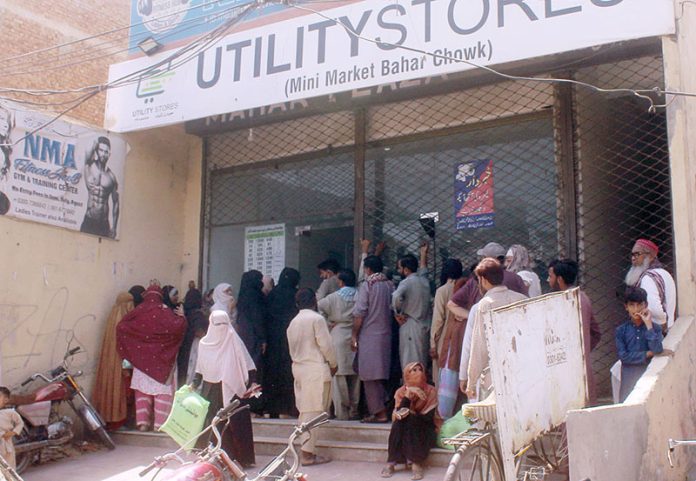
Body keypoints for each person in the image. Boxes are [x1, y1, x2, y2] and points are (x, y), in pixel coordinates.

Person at [193, 283, 258, 467]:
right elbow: (199, 368)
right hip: (212, 390)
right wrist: (193, 383)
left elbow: (248, 363)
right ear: (212, 324)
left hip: (233, 389)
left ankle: (242, 459)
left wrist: (252, 382)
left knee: (237, 427)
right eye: (218, 324)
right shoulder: (205, 344)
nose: (222, 327)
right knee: (215, 425)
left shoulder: (234, 339)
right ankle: (216, 458)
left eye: (224, 323)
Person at [116, 284, 186, 431]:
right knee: (162, 393)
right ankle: (159, 426)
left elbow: (122, 327)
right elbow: (178, 328)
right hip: (163, 362)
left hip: (142, 362)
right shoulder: (165, 312)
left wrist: (134, 347)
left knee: (142, 392)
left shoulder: (139, 311)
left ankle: (142, 424)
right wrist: (182, 317)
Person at [463, 258, 528, 399]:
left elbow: (479, 347)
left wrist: (471, 382)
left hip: (495, 376)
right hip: (523, 371)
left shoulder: (485, 305)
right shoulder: (522, 299)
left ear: (483, 280)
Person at [287, 288, 337, 466]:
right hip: (315, 369)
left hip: (299, 369)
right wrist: (333, 363)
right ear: (314, 301)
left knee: (305, 411)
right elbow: (326, 345)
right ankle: (307, 454)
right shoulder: (317, 319)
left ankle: (306, 450)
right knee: (314, 412)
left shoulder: (293, 322)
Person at [548, 259, 602, 403]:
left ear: (559, 279)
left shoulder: (560, 302)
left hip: (564, 367)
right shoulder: (583, 297)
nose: (548, 280)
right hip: (583, 365)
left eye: (551, 276)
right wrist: (583, 350)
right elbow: (596, 332)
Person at [381, 362, 441, 481]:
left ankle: (411, 462)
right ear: (406, 375)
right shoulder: (400, 392)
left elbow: (428, 419)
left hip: (425, 431)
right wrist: (408, 396)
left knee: (407, 419)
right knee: (400, 421)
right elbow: (398, 415)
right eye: (413, 370)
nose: (418, 372)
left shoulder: (431, 391)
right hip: (405, 428)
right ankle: (402, 461)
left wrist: (409, 414)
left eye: (420, 369)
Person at [353, 255, 394, 423]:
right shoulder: (390, 284)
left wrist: (354, 334)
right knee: (380, 374)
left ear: (367, 269)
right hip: (386, 335)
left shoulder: (367, 285)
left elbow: (360, 312)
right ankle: (381, 407)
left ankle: (379, 411)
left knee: (369, 375)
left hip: (369, 335)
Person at [447, 242, 528, 325]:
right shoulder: (516, 278)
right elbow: (528, 305)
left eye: (483, 257)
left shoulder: (476, 280)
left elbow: (452, 305)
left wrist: (473, 316)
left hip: (486, 327)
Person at [318, 269, 360, 420]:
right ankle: (355, 410)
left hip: (338, 334)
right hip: (357, 333)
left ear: (340, 282)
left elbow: (319, 306)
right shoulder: (359, 295)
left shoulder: (333, 297)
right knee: (356, 375)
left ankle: (342, 412)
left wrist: (328, 322)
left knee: (339, 375)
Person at [431, 259, 468, 418]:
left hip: (445, 341)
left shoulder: (442, 291)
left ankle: (444, 416)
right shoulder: (466, 288)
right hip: (462, 339)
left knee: (442, 380)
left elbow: (437, 320)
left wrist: (433, 343)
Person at [92, 292, 134, 429]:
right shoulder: (124, 322)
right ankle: (117, 421)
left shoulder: (111, 318)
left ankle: (108, 420)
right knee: (118, 390)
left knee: (109, 388)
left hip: (109, 363)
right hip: (119, 364)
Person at [615, 286, 664, 402]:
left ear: (645, 305)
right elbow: (623, 356)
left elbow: (657, 349)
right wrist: (647, 354)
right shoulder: (621, 331)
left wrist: (648, 325)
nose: (636, 309)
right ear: (626, 307)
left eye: (639, 305)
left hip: (648, 377)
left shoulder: (654, 328)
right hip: (629, 379)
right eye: (632, 305)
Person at [265, 268, 300, 418]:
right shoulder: (295, 295)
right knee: (289, 374)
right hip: (291, 341)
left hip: (273, 341)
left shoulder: (273, 294)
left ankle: (273, 409)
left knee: (273, 374)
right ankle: (289, 409)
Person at [392, 245, 431, 369]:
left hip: (410, 324)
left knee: (410, 361)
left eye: (400, 268)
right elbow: (424, 270)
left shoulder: (406, 282)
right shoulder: (424, 281)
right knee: (421, 359)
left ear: (406, 269)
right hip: (424, 325)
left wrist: (397, 312)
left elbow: (396, 297)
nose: (399, 271)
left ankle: (411, 387)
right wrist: (423, 254)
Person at [625, 239, 676, 333]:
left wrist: (662, 323)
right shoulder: (664, 273)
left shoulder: (647, 278)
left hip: (656, 333)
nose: (633, 258)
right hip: (668, 330)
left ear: (650, 256)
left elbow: (655, 310)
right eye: (632, 255)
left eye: (637, 254)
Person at [236, 270, 268, 414]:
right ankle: (255, 405)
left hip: (244, 337)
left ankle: (244, 403)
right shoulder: (255, 296)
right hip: (253, 338)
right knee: (255, 372)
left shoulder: (242, 296)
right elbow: (258, 319)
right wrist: (263, 338)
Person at [80, 136, 119, 238]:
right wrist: (97, 141)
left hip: (103, 224)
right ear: (97, 151)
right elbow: (88, 149)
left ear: (109, 154)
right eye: (101, 150)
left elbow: (116, 203)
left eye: (106, 152)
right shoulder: (89, 165)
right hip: (89, 220)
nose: (103, 154)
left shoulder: (111, 177)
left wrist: (114, 227)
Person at [0, 387, 24, 469]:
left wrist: (14, 432)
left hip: (6, 446)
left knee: (10, 468)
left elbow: (20, 423)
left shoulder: (10, 412)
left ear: (6, 400)